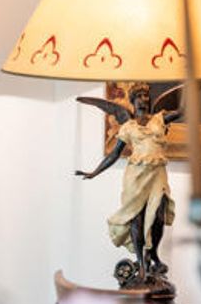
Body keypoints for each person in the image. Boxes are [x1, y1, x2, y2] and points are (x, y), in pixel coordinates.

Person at [76, 83, 181, 284]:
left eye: (146, 96)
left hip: (157, 174)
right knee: (136, 218)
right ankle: (141, 262)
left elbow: (183, 111)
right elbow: (115, 154)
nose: (143, 99)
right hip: (136, 177)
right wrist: (94, 172)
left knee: (158, 215)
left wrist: (190, 90)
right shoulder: (128, 126)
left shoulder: (160, 119)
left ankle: (153, 254)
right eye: (139, 96)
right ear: (132, 101)